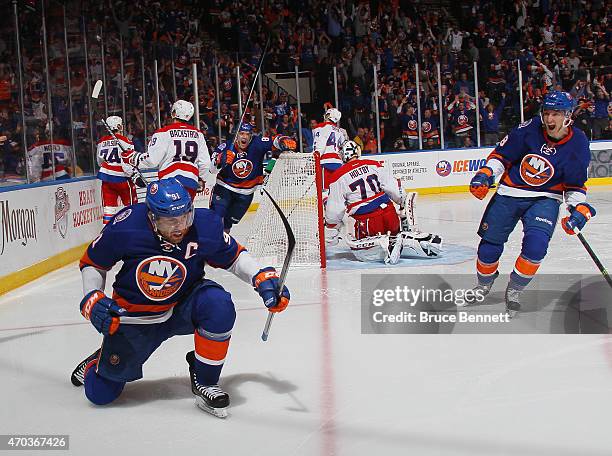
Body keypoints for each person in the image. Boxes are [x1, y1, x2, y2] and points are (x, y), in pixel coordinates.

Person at [70, 178, 290, 418]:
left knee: (218, 306)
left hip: (183, 303)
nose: (179, 227)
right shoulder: (126, 226)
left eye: (185, 217)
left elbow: (234, 257)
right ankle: (98, 359)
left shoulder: (204, 226)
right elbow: (93, 263)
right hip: (137, 317)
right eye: (169, 221)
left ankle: (205, 379)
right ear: (152, 218)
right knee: (100, 394)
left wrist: (261, 277)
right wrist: (92, 298)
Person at [466, 90, 594, 316]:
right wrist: (486, 174)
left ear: (568, 116)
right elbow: (502, 156)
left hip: (546, 198)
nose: (550, 119)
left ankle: (514, 290)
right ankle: (484, 284)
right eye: (547, 113)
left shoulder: (579, 143)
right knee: (489, 247)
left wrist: (577, 210)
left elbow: (574, 185)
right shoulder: (529, 129)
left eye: (556, 114)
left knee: (536, 248)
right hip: (509, 193)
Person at [324, 141, 442, 264]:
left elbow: (334, 210)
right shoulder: (374, 164)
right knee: (395, 233)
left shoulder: (338, 176)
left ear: (342, 155)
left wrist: (331, 231)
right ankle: (412, 240)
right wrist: (402, 206)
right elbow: (395, 190)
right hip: (390, 214)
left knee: (362, 255)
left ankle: (386, 243)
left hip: (368, 221)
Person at [209, 123, 295, 232]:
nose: (244, 137)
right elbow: (212, 170)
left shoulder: (257, 142)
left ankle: (222, 245)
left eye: (247, 134)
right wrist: (219, 160)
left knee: (227, 225)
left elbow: (274, 141)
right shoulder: (226, 147)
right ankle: (212, 245)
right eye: (241, 133)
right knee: (215, 219)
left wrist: (283, 139)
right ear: (236, 135)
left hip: (246, 193)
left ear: (251, 136)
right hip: (224, 187)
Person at [122, 100, 211, 199]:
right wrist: (202, 179)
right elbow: (205, 163)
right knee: (186, 213)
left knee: (166, 213)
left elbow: (152, 160)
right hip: (191, 182)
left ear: (173, 113)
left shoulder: (163, 133)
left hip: (169, 182)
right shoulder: (198, 134)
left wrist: (133, 158)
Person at [96, 116, 138, 224]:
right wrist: (133, 175)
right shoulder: (127, 141)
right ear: (120, 126)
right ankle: (133, 228)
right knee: (132, 207)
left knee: (109, 209)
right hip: (122, 179)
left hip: (106, 178)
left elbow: (100, 161)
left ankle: (107, 233)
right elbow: (128, 163)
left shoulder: (102, 142)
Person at [313, 107, 347, 189]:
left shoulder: (320, 127)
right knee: (336, 190)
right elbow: (344, 146)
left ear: (330, 116)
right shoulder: (340, 131)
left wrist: (313, 160)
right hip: (338, 163)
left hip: (324, 162)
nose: (325, 115)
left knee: (324, 191)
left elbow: (319, 146)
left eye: (327, 114)